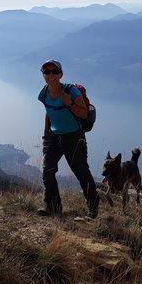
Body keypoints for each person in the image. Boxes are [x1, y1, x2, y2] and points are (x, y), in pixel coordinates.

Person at [37, 59, 99, 218]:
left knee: (81, 172)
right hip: (53, 137)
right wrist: (46, 136)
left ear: (61, 74)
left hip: (73, 137)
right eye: (47, 72)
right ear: (43, 75)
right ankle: (52, 206)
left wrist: (69, 103)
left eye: (54, 72)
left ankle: (92, 207)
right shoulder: (43, 93)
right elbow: (49, 113)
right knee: (47, 170)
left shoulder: (72, 92)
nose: (50, 75)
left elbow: (84, 114)